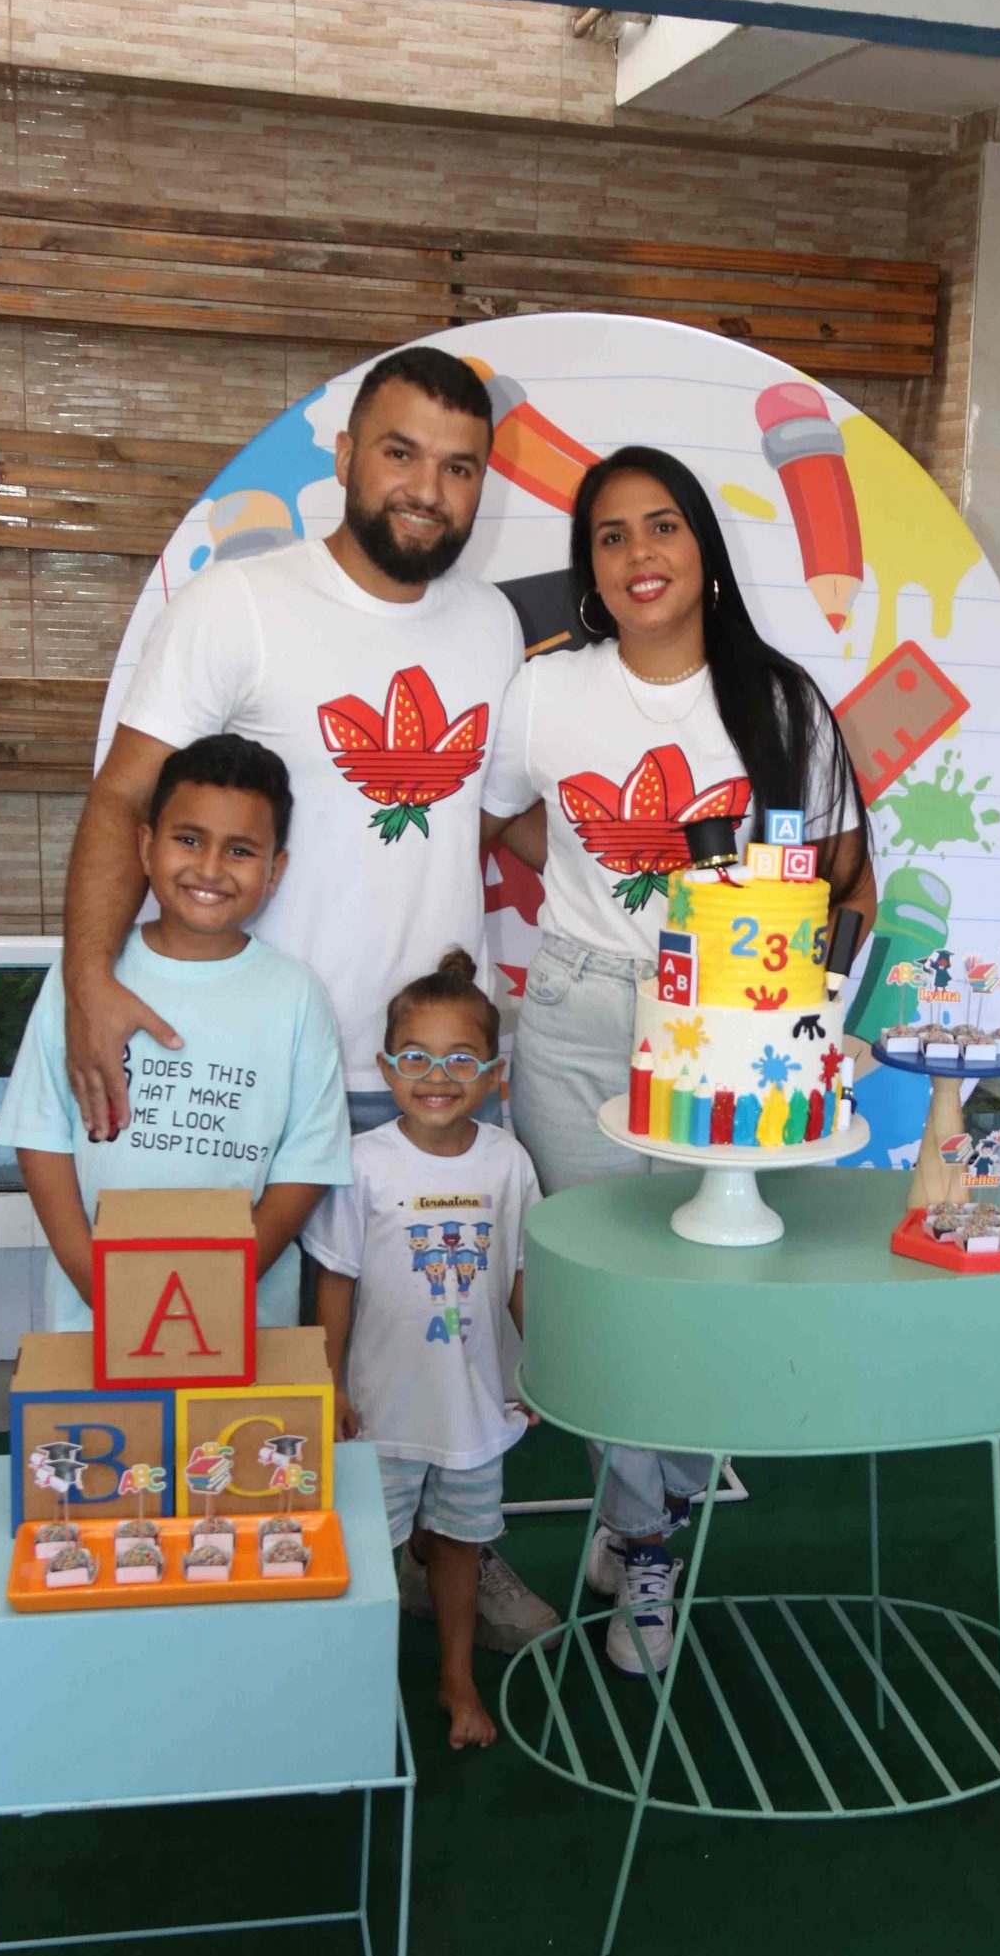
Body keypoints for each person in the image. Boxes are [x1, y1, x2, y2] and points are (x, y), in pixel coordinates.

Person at [58, 342, 554, 1647]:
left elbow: (496, 817)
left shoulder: (489, 625)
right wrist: (88, 981)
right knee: (258, 1363)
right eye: (400, 452)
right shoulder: (241, 603)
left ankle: (452, 1545)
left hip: (428, 1072)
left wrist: (660, 882)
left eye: (459, 467)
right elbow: (123, 797)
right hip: (260, 1073)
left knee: (440, 1343)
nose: (427, 488)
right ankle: (271, 1593)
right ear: (345, 456)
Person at [480, 445, 875, 1678]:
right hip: (576, 1013)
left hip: (732, 1029)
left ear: (705, 549)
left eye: (662, 526)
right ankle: (647, 1533)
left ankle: (643, 1512)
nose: (638, 554)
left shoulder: (781, 699)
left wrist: (803, 1012)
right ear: (590, 568)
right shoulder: (546, 691)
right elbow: (502, 811)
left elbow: (846, 880)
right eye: (610, 536)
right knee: (598, 1291)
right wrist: (591, 883)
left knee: (697, 1288)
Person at [0, 734, 352, 1330]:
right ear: (145, 845)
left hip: (245, 1319)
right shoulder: (85, 978)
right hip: (93, 1316)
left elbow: (307, 1163)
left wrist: (220, 1288)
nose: (209, 868)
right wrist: (95, 1282)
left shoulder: (297, 995)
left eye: (240, 850)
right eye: (188, 839)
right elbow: (39, 1135)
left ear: (274, 872)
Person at [306, 951, 546, 1749]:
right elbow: (335, 1280)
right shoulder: (363, 1163)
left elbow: (518, 1273)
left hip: (472, 1412)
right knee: (368, 1555)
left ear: (492, 1075)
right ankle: (358, 1688)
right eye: (414, 1058)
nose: (435, 1077)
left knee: (459, 1547)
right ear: (384, 1068)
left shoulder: (507, 1161)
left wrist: (541, 1370)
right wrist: (330, 1384)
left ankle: (456, 1679)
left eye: (459, 1061)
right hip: (381, 1415)